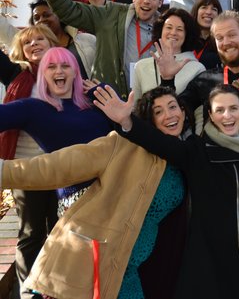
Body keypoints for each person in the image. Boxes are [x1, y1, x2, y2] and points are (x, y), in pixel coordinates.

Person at [94, 83, 239, 298]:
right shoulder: (198, 151)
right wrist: (127, 121)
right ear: (210, 115)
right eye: (219, 110)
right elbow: (158, 142)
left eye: (233, 108)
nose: (227, 116)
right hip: (214, 262)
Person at [1, 86, 188, 299]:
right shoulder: (122, 146)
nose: (168, 115)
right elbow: (59, 166)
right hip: (92, 264)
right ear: (149, 119)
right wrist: (3, 171)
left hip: (133, 271)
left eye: (173, 107)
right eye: (158, 111)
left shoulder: (188, 156)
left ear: (183, 112)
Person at [12, 0, 165, 96]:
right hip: (108, 99)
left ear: (160, 2)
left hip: (147, 102)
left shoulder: (166, 28)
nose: (146, 1)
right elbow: (66, 9)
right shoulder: (110, 14)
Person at [0, 25, 59, 299]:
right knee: (32, 231)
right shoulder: (17, 75)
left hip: (64, 169)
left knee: (60, 230)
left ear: (52, 42)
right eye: (27, 43)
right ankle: (29, 291)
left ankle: (57, 288)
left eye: (40, 39)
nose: (34, 44)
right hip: (27, 169)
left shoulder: (66, 72)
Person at [132, 7, 205, 100]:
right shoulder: (140, 66)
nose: (173, 33)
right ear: (160, 31)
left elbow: (199, 112)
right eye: (169, 27)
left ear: (187, 35)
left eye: (179, 29)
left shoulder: (197, 69)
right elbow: (134, 108)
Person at [25, 0, 96, 80]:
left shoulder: (87, 39)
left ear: (59, 16)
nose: (41, 20)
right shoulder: (37, 50)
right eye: (36, 18)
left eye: (46, 15)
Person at [190, 0, 222, 69]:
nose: (208, 12)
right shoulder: (186, 37)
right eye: (204, 7)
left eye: (214, 9)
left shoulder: (221, 41)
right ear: (196, 11)